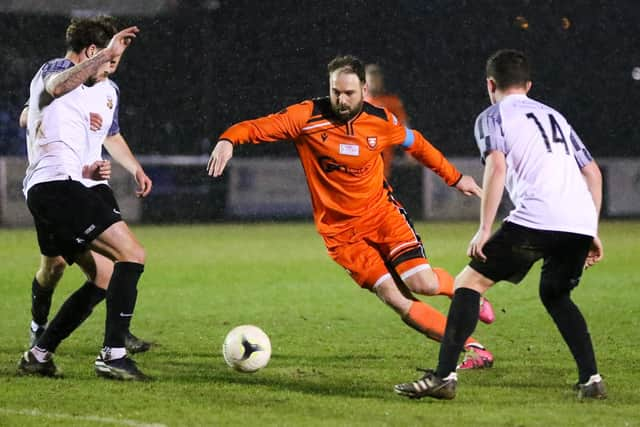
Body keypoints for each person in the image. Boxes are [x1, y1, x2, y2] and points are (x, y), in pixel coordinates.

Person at [208, 55, 495, 370]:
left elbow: (418, 144)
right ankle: (472, 348)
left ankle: (465, 292)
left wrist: (454, 178)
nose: (341, 100)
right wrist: (228, 140)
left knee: (423, 284)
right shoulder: (306, 116)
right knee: (396, 298)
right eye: (335, 92)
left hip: (382, 216)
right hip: (342, 235)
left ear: (364, 88)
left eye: (349, 93)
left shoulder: (381, 120)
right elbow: (255, 127)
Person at [394, 49, 606, 400]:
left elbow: (497, 166)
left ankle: (444, 377)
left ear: (490, 84)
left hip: (538, 217)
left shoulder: (493, 116)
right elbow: (593, 173)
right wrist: (591, 228)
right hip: (578, 222)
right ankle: (592, 380)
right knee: (556, 295)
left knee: (468, 284)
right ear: (529, 85)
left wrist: (483, 227)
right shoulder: (555, 115)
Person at [17, 16, 149, 381]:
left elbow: (101, 134)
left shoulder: (106, 91)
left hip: (67, 186)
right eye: (109, 58)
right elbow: (55, 88)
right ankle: (113, 354)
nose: (111, 66)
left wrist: (101, 170)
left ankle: (39, 354)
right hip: (56, 188)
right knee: (132, 255)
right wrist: (102, 56)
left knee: (104, 275)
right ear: (92, 52)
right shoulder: (56, 69)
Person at [364, 63, 409, 180]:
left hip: (382, 154)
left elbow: (403, 126)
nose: (374, 83)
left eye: (376, 79)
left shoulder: (391, 102)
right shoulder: (357, 103)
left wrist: (410, 151)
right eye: (371, 80)